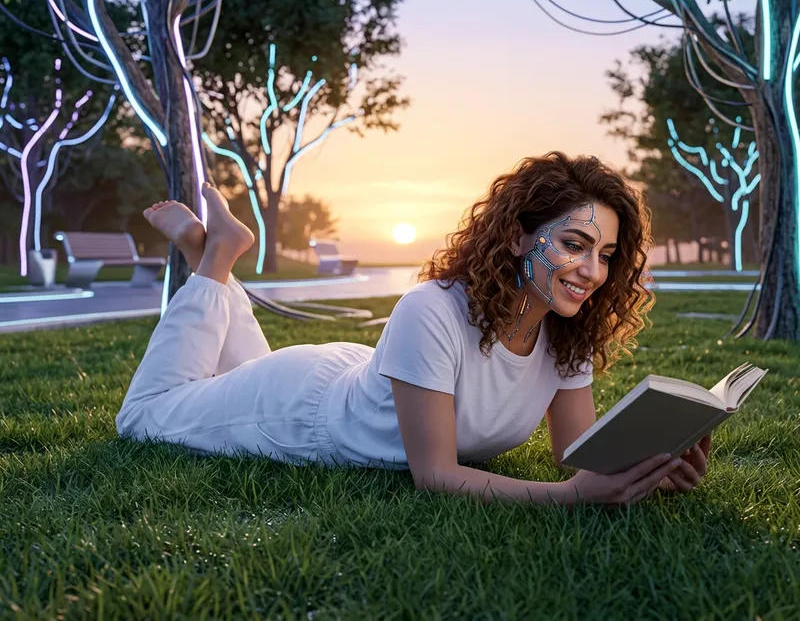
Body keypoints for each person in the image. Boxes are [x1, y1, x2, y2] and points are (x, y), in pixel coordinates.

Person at [116, 152, 711, 506]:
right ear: (516, 237)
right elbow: (436, 475)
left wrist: (650, 468)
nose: (592, 271)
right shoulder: (432, 309)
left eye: (605, 254)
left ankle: (206, 257)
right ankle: (216, 259)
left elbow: (574, 455)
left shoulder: (566, 331)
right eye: (574, 244)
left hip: (358, 377)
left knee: (231, 369)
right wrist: (565, 499)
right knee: (144, 415)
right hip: (300, 410)